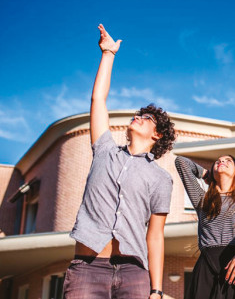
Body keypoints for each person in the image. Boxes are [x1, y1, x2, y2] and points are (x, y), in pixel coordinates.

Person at [65, 24, 177, 299]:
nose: (137, 116)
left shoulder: (161, 179)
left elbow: (155, 236)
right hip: (88, 268)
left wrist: (157, 289)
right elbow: (98, 99)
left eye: (146, 118)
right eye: (138, 113)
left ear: (157, 133)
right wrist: (108, 55)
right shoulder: (104, 150)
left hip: (133, 272)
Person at [175, 155, 235, 299]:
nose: (221, 162)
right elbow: (180, 162)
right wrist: (207, 174)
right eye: (217, 161)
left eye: (228, 161)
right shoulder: (202, 199)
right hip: (207, 266)